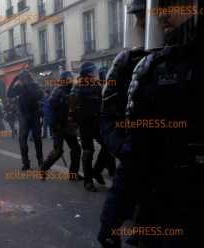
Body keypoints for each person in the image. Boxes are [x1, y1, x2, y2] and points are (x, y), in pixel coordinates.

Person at [123, 0, 203, 247]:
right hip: (161, 198)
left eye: (171, 5)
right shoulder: (151, 65)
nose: (159, 16)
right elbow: (136, 146)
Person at [98, 0, 149, 246]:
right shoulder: (127, 61)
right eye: (140, 17)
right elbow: (107, 112)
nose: (143, 23)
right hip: (134, 154)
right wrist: (121, 145)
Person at [70, 62, 111, 192]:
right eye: (94, 71)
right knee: (88, 152)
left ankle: (96, 171)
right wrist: (76, 123)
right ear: (89, 72)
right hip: (85, 124)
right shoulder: (78, 87)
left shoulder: (97, 85)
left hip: (97, 123)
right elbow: (72, 107)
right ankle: (88, 181)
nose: (96, 73)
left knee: (108, 146)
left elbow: (103, 102)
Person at [41, 71, 82, 180]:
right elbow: (51, 110)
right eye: (68, 78)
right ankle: (44, 167)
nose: (70, 80)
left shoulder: (73, 90)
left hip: (68, 126)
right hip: (58, 126)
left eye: (70, 78)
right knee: (58, 151)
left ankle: (73, 174)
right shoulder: (57, 91)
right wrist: (54, 125)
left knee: (76, 149)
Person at [7, 70, 44, 170]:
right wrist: (13, 81)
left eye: (24, 78)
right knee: (22, 140)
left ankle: (40, 160)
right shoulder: (19, 87)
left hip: (34, 115)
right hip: (23, 116)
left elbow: (39, 96)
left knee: (37, 139)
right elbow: (9, 94)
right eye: (21, 79)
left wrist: (28, 86)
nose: (22, 80)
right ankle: (26, 162)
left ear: (28, 78)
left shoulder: (35, 86)